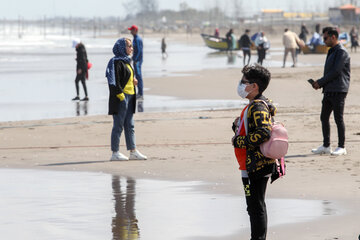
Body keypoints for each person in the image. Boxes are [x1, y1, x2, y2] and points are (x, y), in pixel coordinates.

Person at [232, 64, 276, 240]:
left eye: (244, 82)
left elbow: (264, 133)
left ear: (254, 86)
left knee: (255, 207)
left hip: (256, 165)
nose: (241, 85)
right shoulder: (255, 105)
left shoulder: (258, 106)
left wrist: (238, 141)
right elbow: (252, 129)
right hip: (251, 164)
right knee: (255, 206)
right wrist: (236, 127)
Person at [310, 27, 350, 156]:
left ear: (333, 37)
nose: (324, 41)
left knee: (338, 118)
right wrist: (320, 84)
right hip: (329, 89)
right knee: (324, 117)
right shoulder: (332, 51)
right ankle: (326, 145)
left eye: (325, 38)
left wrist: (320, 82)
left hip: (339, 89)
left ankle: (341, 147)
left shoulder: (342, 52)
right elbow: (330, 73)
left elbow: (336, 72)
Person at [106, 38, 147, 161]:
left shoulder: (127, 61)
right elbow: (113, 83)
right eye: (129, 46)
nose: (132, 48)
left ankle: (133, 151)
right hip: (121, 98)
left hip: (130, 97)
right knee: (118, 126)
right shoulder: (115, 62)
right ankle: (115, 152)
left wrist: (134, 81)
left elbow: (128, 78)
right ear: (122, 47)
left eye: (131, 46)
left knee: (130, 125)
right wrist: (122, 97)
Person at [128, 25, 144, 100]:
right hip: (135, 60)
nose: (130, 31)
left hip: (138, 61)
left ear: (135, 30)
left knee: (139, 77)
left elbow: (139, 51)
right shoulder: (134, 39)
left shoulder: (138, 39)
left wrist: (135, 59)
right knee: (137, 76)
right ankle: (139, 93)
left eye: (132, 30)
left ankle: (141, 94)